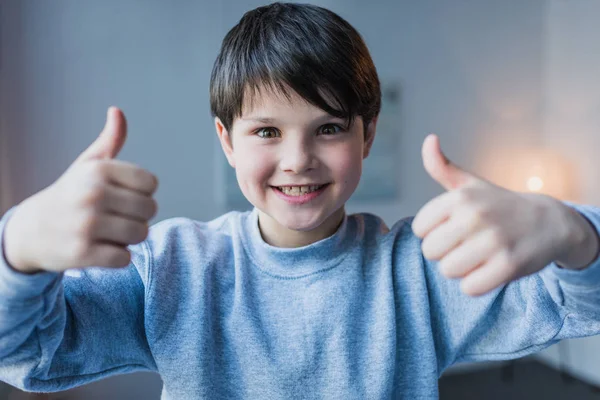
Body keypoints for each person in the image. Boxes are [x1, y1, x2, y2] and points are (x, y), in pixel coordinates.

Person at [1, 2, 600, 399]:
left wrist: (574, 232)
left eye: (329, 128)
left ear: (367, 134)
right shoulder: (172, 268)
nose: (297, 159)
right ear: (226, 141)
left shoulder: (419, 271)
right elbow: (26, 353)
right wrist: (19, 249)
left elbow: (577, 304)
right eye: (266, 132)